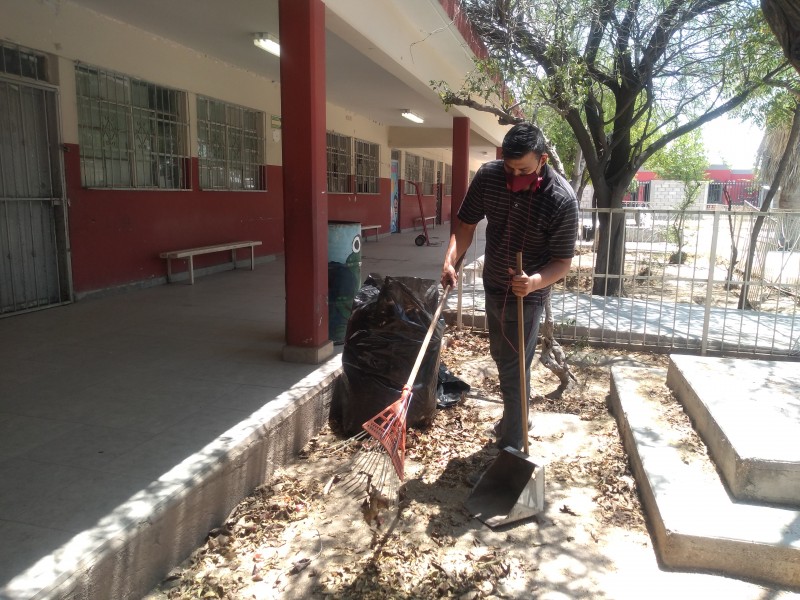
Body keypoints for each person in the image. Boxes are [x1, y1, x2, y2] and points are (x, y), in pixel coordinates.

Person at [441, 122, 578, 451]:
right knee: (503, 357)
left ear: (543, 160)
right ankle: (518, 417)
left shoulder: (561, 199)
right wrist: (451, 259)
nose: (516, 177)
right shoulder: (489, 177)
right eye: (510, 168)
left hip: (528, 295)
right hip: (495, 285)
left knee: (516, 366)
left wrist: (533, 282)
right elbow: (466, 225)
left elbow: (561, 262)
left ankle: (513, 445)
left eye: (525, 170)